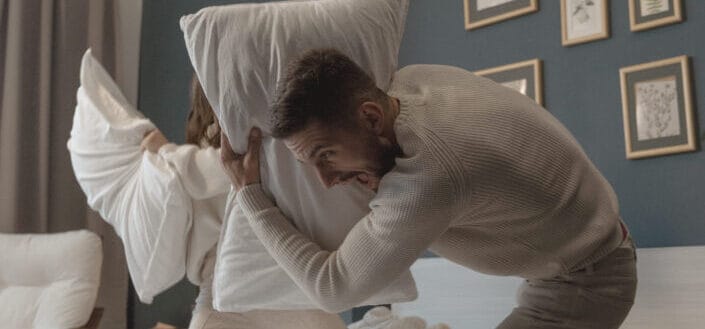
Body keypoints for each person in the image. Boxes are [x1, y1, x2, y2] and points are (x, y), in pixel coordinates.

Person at [220, 48, 637, 329]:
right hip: (578, 255)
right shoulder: (413, 80)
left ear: (369, 118)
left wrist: (251, 196)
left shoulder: (431, 176)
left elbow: (332, 288)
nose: (326, 181)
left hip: (587, 282)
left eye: (326, 155)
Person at [140, 76, 348, 329]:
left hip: (273, 288)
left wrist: (163, 150)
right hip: (241, 291)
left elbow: (209, 171)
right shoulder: (215, 151)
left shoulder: (254, 150)